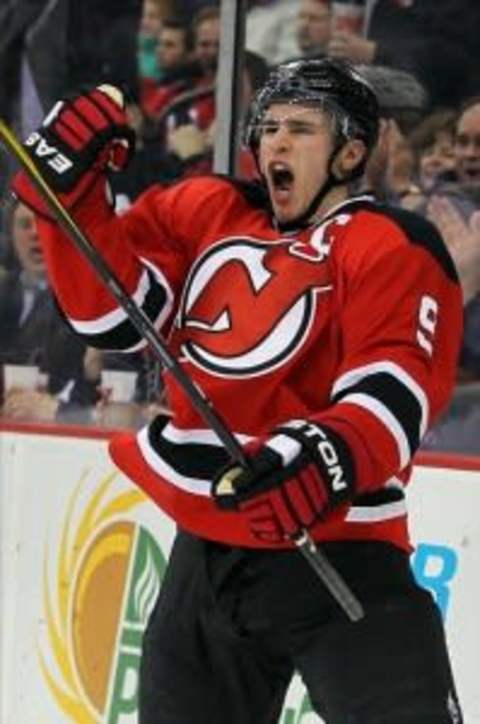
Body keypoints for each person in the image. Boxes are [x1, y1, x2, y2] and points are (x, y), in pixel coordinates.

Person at [12, 59, 463, 722]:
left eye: (301, 129)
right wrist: (68, 204)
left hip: (340, 545)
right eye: (269, 126)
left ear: (352, 151)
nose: (276, 143)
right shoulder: (208, 211)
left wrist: (322, 456)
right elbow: (111, 313)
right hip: (208, 550)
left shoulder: (389, 242)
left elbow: (396, 389)